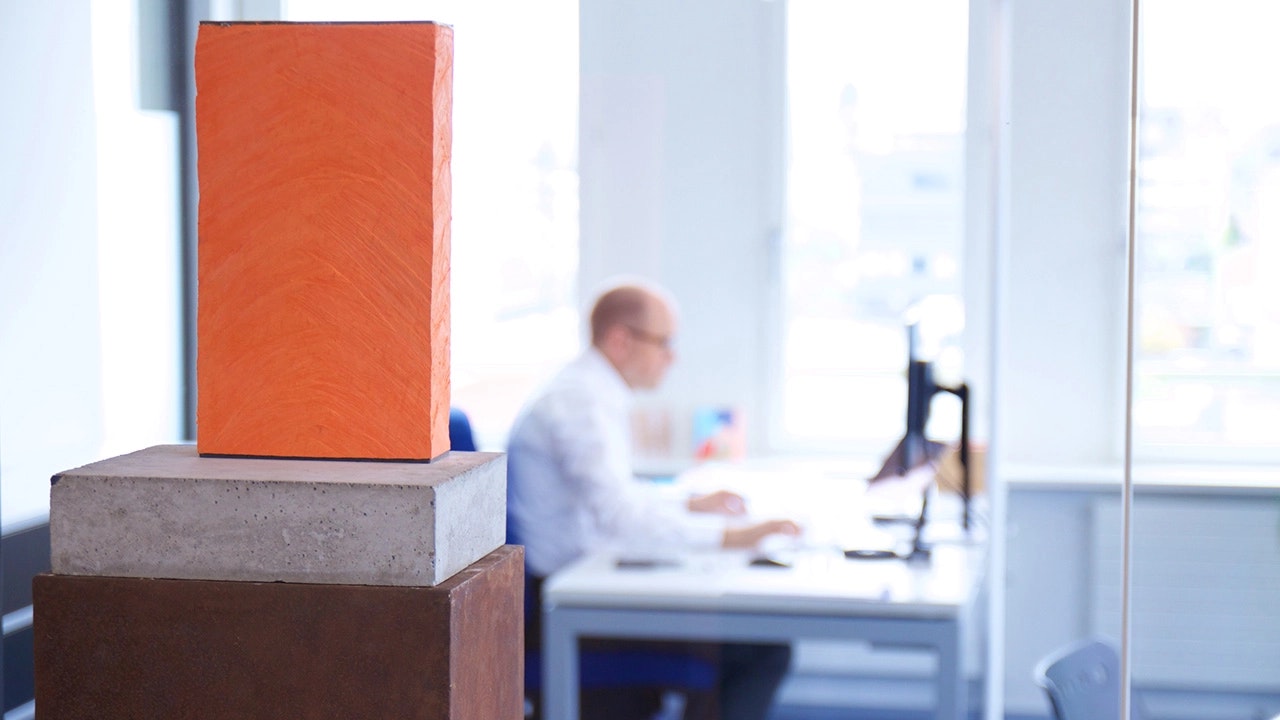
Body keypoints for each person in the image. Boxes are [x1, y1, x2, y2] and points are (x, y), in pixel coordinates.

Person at [507, 281, 801, 720]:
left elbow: (614, 499)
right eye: (664, 343)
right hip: (564, 602)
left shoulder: (592, 393)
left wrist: (690, 506)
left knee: (751, 642)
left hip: (584, 582)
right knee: (760, 649)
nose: (672, 357)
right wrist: (732, 536)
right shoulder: (578, 402)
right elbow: (620, 518)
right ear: (621, 340)